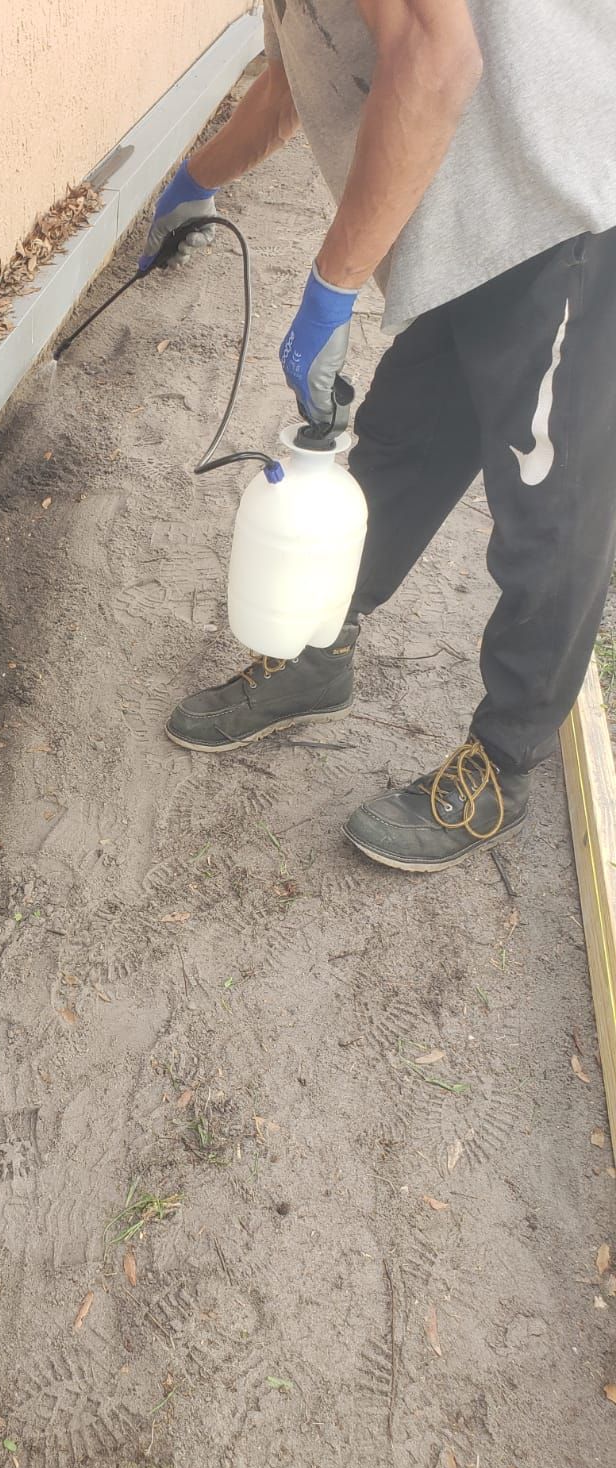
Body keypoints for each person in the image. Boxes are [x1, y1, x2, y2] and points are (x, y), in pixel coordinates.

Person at [141, 0, 616, 872]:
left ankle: (505, 763)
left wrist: (334, 285)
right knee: (399, 445)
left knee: (551, 511)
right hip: (463, 219)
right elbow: (294, 82)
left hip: (565, 209)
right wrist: (195, 179)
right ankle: (322, 652)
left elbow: (438, 57)